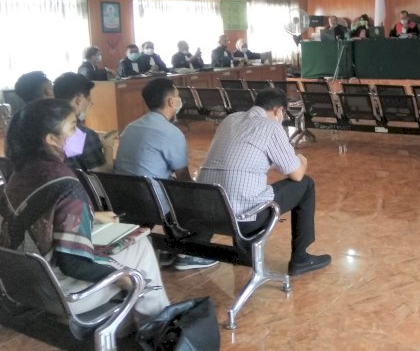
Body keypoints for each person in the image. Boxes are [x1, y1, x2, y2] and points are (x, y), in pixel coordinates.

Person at [0, 98, 169, 327]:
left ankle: (128, 322)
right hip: (60, 295)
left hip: (18, 286)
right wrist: (122, 278)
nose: (78, 132)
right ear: (51, 139)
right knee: (139, 246)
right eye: (72, 127)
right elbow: (74, 264)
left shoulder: (19, 173)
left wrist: (93, 216)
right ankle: (159, 326)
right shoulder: (66, 183)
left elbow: (39, 213)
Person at [198, 87, 330, 277]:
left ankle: (244, 253)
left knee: (240, 186)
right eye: (283, 114)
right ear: (279, 111)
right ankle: (300, 258)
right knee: (305, 185)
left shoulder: (230, 119)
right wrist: (303, 159)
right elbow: (296, 175)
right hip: (242, 220)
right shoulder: (272, 127)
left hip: (207, 213)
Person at [114, 78, 217, 271]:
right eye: (178, 97)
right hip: (152, 203)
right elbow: (184, 179)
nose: (179, 101)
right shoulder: (170, 132)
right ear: (171, 102)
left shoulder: (130, 127)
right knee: (205, 196)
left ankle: (172, 246)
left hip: (124, 200)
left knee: (166, 188)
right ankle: (188, 251)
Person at [53, 72, 106, 172]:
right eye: (89, 99)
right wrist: (109, 147)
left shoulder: (44, 125)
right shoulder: (83, 134)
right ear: (78, 100)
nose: (90, 104)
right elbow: (101, 174)